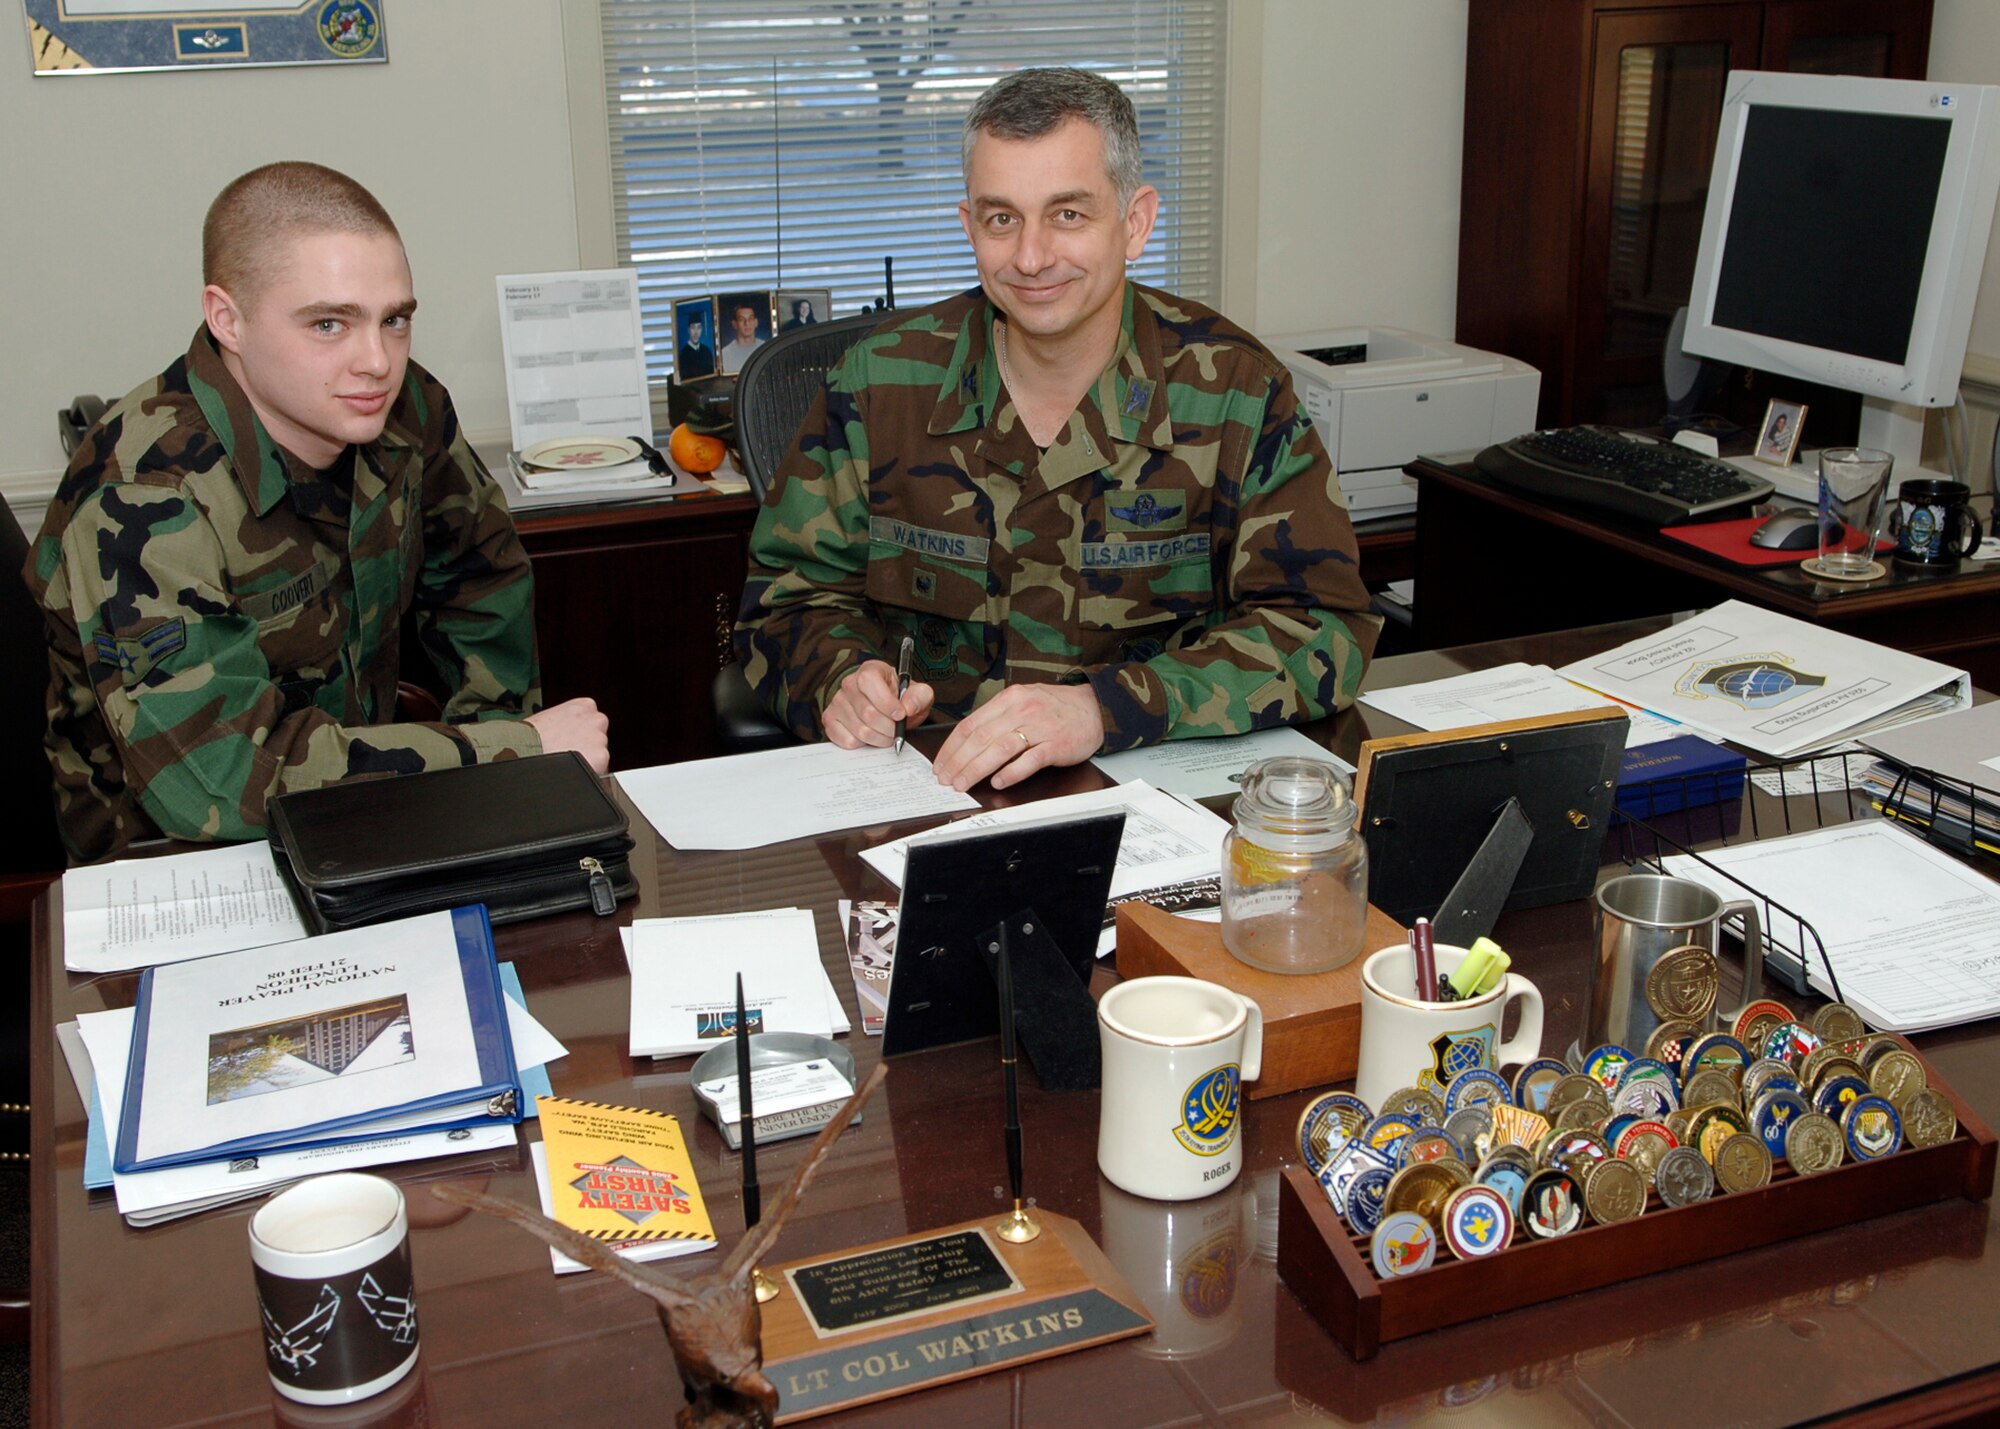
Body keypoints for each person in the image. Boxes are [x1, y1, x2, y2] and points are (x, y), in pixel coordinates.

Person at [735, 67, 1378, 793]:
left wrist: (1109, 707)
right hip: (925, 794)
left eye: (1068, 214)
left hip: (1143, 796)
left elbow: (1321, 627)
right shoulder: (879, 385)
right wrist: (842, 679)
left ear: (1135, 222)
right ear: (968, 225)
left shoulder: (1235, 391)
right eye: (1001, 218)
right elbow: (786, 604)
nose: (1032, 257)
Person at [26, 160, 609, 863]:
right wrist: (508, 749)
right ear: (227, 319)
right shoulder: (141, 494)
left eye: (395, 319)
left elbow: (481, 579)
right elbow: (216, 778)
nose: (377, 360)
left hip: (359, 813)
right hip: (177, 862)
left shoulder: (407, 408)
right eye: (329, 323)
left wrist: (493, 770)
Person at [719, 301, 766, 375]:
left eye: (750, 319)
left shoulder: (765, 348)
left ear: (756, 322)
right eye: (741, 319)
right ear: (735, 324)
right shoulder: (725, 354)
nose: (747, 323)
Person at [679, 309, 715, 379]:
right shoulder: (683, 355)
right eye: (693, 327)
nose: (696, 332)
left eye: (699, 327)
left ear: (702, 329)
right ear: (688, 330)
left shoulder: (707, 351)